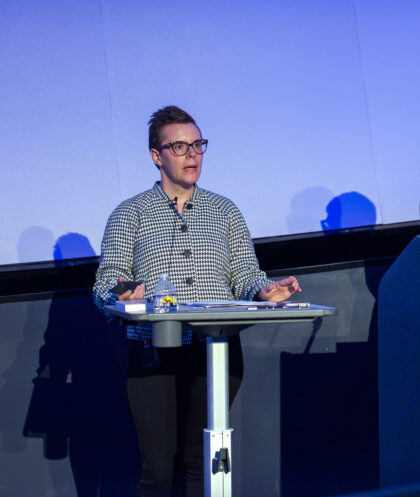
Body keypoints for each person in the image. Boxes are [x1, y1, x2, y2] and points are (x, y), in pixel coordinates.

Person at [93, 105, 301, 496]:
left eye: (198, 145)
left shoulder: (225, 211)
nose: (192, 154)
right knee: (158, 471)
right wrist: (122, 293)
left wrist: (264, 290)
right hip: (154, 350)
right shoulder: (129, 213)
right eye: (179, 146)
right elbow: (107, 281)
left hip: (215, 349)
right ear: (156, 156)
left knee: (200, 463)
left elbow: (244, 274)